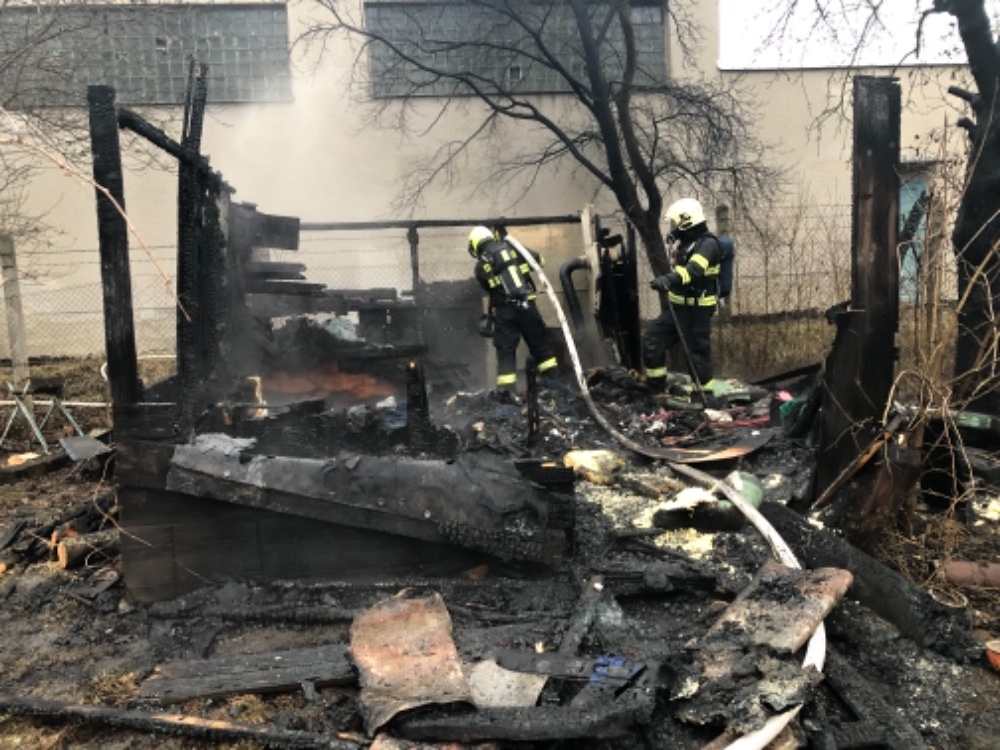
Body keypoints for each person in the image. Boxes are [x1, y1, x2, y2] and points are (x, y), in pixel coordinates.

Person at [644, 198, 722, 401]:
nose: (674, 227)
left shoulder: (708, 245)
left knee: (697, 353)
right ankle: (656, 389)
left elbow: (693, 271)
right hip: (678, 309)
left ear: (686, 221)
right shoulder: (685, 244)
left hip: (698, 309)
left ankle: (703, 396)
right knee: (653, 339)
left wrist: (668, 280)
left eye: (676, 223)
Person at [468, 225, 559, 399]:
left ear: (475, 244)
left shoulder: (482, 265)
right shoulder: (514, 248)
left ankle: (507, 395)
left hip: (506, 312)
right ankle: (557, 388)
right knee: (541, 348)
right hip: (528, 307)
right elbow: (540, 261)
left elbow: (489, 286)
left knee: (506, 353)